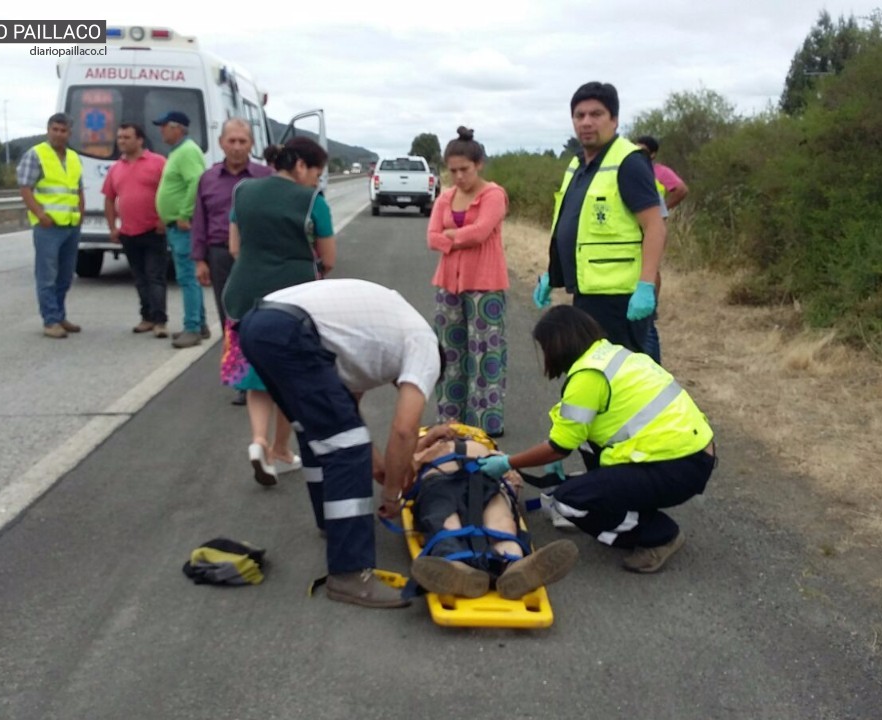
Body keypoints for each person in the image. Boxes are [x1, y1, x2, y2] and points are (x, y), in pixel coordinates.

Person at [237, 279, 441, 609]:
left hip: (259, 324)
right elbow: (405, 430)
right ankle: (350, 574)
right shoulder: (426, 347)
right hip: (290, 331)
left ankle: (331, 524)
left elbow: (346, 411)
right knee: (347, 447)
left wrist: (376, 463)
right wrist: (392, 494)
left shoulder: (383, 334)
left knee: (318, 432)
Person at [475, 305, 716, 573]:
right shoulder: (613, 354)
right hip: (693, 455)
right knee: (586, 447)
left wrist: (508, 462)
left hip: (676, 465)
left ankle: (660, 535)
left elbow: (559, 448)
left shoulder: (588, 377)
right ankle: (614, 500)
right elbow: (577, 430)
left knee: (567, 502)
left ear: (558, 344)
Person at [222, 137, 336, 485]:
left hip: (242, 295)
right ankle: (281, 450)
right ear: (301, 165)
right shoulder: (313, 201)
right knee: (288, 378)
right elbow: (328, 259)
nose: (316, 181)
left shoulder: (243, 191)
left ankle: (258, 442)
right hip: (293, 301)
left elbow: (234, 247)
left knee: (256, 376)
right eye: (316, 173)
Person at [534, 82, 666, 364]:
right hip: (587, 291)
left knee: (622, 379)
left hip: (621, 299)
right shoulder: (578, 165)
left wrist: (645, 286)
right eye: (579, 116)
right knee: (595, 374)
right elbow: (571, 225)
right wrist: (552, 273)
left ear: (614, 120)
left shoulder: (628, 162)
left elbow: (655, 226)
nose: (586, 122)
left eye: (596, 114)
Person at [408, 423, 579, 600]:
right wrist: (429, 440)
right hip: (439, 482)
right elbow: (405, 472)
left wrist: (509, 479)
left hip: (486, 480)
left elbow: (512, 479)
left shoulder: (487, 449)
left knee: (502, 521)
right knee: (446, 522)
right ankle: (455, 565)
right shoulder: (424, 447)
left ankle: (514, 566)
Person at [427, 127, 509, 437]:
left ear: (479, 165)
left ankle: (486, 421)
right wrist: (458, 238)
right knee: (449, 352)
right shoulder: (446, 198)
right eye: (453, 171)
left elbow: (481, 232)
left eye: (465, 169)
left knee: (485, 351)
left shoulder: (493, 195)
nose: (459, 177)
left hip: (485, 283)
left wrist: (452, 236)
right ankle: (450, 419)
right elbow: (432, 237)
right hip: (448, 283)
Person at [192, 119, 272, 407]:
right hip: (219, 255)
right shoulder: (208, 179)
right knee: (231, 318)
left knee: (261, 317)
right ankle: (241, 381)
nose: (237, 147)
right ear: (221, 143)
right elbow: (199, 221)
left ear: (252, 145)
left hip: (257, 256)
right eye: (232, 141)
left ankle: (266, 376)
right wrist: (199, 259)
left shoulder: (266, 176)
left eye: (243, 141)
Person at [17, 113, 85, 339]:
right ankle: (50, 320)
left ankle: (60, 315)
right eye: (54, 129)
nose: (58, 134)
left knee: (65, 276)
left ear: (69, 133)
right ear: (48, 130)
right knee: (47, 275)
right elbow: (25, 188)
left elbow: (78, 189)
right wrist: (39, 213)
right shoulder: (36, 154)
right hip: (48, 226)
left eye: (63, 130)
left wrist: (81, 214)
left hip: (71, 225)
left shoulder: (75, 157)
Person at [102, 123, 168, 336]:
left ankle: (160, 321)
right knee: (139, 278)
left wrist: (164, 219)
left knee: (155, 276)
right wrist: (113, 227)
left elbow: (169, 193)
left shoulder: (158, 163)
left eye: (127, 137)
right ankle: (146, 317)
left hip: (153, 231)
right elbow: (110, 199)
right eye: (119, 137)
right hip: (128, 233)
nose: (122, 141)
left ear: (139, 140)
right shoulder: (115, 168)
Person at [154, 110, 208, 349]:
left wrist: (186, 214)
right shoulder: (179, 151)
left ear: (178, 128)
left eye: (164, 126)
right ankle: (200, 324)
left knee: (187, 277)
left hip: (183, 225)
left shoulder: (186, 152)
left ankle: (193, 327)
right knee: (188, 276)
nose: (161, 130)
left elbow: (196, 182)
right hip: (175, 225)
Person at [635, 134, 690, 364]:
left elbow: (681, 189)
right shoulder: (632, 171)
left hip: (652, 230)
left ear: (653, 154)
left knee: (651, 268)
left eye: (642, 150)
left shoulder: (658, 172)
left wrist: (662, 210)